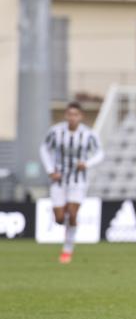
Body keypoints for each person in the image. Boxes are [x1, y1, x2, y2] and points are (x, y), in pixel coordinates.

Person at [39, 101, 104, 264]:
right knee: (60, 218)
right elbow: (44, 149)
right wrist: (50, 170)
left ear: (81, 116)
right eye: (70, 114)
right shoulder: (56, 132)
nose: (72, 118)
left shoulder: (88, 134)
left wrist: (87, 164)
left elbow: (100, 153)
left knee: (73, 214)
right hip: (59, 179)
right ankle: (66, 222)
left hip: (78, 180)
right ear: (66, 116)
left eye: (76, 115)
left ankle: (67, 249)